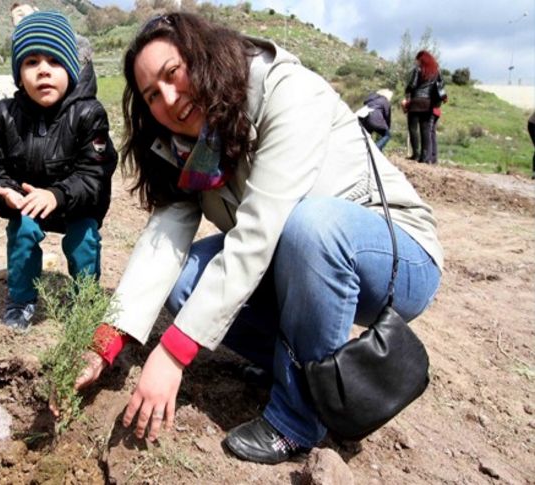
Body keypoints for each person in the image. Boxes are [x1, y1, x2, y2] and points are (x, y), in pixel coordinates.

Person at [65, 12, 443, 466]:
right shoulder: (188, 146)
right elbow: (162, 243)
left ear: (201, 58)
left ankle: (297, 420)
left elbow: (259, 231)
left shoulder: (286, 91)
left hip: (393, 252)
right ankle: (294, 364)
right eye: (152, 95)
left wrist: (174, 352)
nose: (169, 98)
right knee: (184, 278)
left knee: (311, 225)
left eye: (173, 73)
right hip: (297, 259)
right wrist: (109, 338)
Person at [0, 11, 118, 329]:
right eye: (31, 62)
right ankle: (20, 300)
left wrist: (57, 194)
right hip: (29, 202)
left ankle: (84, 299)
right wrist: (4, 194)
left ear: (70, 68)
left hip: (76, 202)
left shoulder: (89, 113)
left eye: (54, 62)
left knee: (83, 238)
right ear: (18, 74)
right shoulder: (5, 114)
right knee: (22, 232)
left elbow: (94, 174)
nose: (43, 71)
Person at [404, 50, 447, 164]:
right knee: (425, 130)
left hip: (416, 102)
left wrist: (407, 90)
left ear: (421, 59)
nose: (416, 61)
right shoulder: (436, 71)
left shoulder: (418, 69)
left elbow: (412, 85)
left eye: (417, 59)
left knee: (413, 128)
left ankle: (415, 155)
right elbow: (441, 85)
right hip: (428, 103)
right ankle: (424, 157)